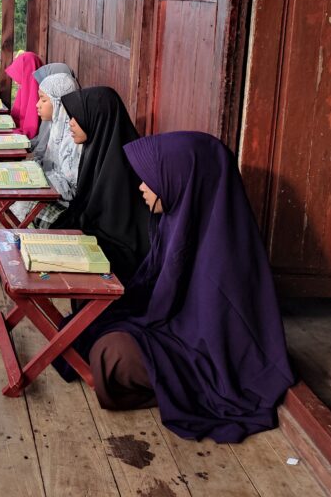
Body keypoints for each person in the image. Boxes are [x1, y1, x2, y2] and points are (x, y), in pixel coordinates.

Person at [85, 132, 295, 443]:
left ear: (181, 179)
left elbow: (218, 340)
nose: (142, 187)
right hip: (174, 331)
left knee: (113, 355)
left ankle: (179, 391)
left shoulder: (224, 251)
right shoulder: (176, 219)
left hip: (203, 355)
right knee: (95, 319)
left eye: (150, 179)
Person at [50, 86, 150, 283]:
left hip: (121, 254)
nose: (70, 123)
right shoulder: (97, 149)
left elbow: (116, 232)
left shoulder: (121, 164)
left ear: (97, 118)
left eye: (77, 117)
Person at [34, 71, 81, 204]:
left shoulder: (73, 136)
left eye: (43, 100)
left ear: (59, 103)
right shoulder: (56, 127)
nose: (37, 104)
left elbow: (70, 187)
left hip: (64, 202)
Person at [4, 51, 44, 138]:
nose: (15, 82)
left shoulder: (38, 94)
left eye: (21, 75)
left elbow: (31, 130)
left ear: (27, 74)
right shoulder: (25, 88)